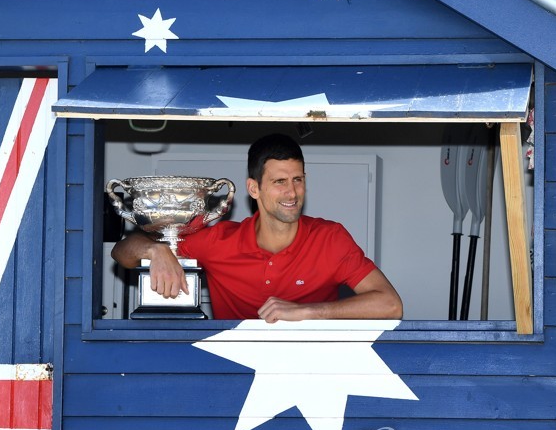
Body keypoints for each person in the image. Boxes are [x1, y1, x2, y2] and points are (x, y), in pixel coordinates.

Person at [111, 133, 403, 322]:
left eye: (298, 180)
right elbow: (122, 252)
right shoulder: (219, 240)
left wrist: (307, 311)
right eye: (279, 182)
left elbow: (391, 306)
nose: (292, 193)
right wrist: (156, 249)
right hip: (234, 377)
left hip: (313, 376)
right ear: (254, 188)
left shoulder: (330, 238)